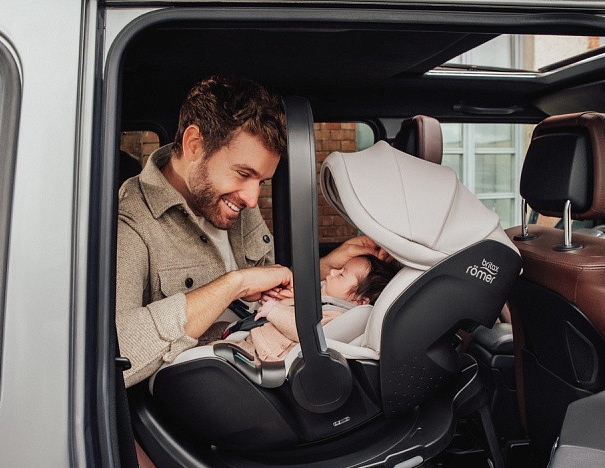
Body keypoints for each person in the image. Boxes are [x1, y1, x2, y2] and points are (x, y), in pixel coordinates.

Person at [116, 75, 383, 387]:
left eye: (261, 181)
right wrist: (235, 284)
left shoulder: (235, 199)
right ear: (194, 145)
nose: (253, 199)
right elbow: (118, 352)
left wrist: (328, 266)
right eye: (243, 174)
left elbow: (268, 288)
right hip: (208, 390)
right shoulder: (130, 222)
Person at [216, 254, 401, 362]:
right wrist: (281, 300)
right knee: (215, 328)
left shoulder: (338, 315)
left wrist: (274, 310)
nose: (333, 271)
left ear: (360, 301)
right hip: (255, 336)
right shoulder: (326, 300)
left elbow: (308, 331)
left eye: (342, 274)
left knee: (210, 352)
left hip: (260, 353)